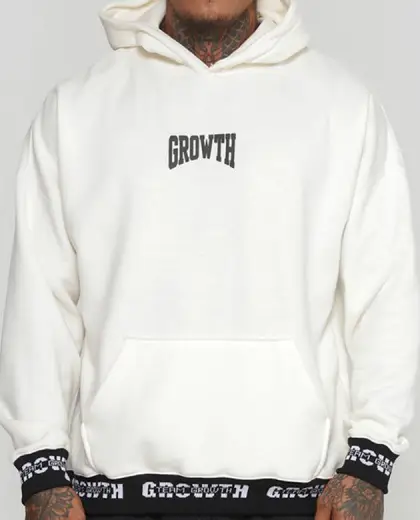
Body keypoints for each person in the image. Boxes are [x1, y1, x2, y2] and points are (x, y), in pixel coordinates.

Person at [0, 0, 418, 519]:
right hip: (113, 495)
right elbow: (41, 299)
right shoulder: (76, 111)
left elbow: (385, 292)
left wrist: (370, 461)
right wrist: (41, 470)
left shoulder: (344, 108)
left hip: (300, 498)